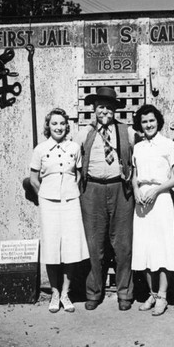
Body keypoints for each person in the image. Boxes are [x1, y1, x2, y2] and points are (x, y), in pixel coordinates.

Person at [76, 86, 135, 311]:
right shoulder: (84, 132)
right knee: (94, 244)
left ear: (114, 111)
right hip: (92, 190)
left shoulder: (125, 131)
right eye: (101, 107)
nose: (105, 112)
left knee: (122, 245)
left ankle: (124, 294)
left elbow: (139, 157)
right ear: (94, 108)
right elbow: (72, 158)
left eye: (109, 108)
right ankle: (93, 292)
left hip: (120, 190)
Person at [29, 107, 89, 313]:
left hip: (71, 202)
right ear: (48, 126)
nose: (58, 127)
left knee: (71, 248)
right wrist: (45, 194)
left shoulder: (74, 147)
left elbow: (79, 175)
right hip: (49, 204)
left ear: (67, 126)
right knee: (52, 247)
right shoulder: (40, 149)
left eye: (62, 123)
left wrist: (70, 192)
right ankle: (54, 293)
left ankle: (66, 293)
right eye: (54, 123)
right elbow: (33, 179)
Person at [131, 104, 174, 316]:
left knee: (162, 249)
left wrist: (156, 190)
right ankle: (152, 294)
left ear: (158, 121)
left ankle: (162, 296)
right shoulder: (139, 147)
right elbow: (134, 174)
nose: (148, 125)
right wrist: (135, 190)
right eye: (144, 121)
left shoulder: (168, 144)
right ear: (140, 125)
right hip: (142, 202)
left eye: (151, 120)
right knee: (145, 249)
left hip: (161, 200)